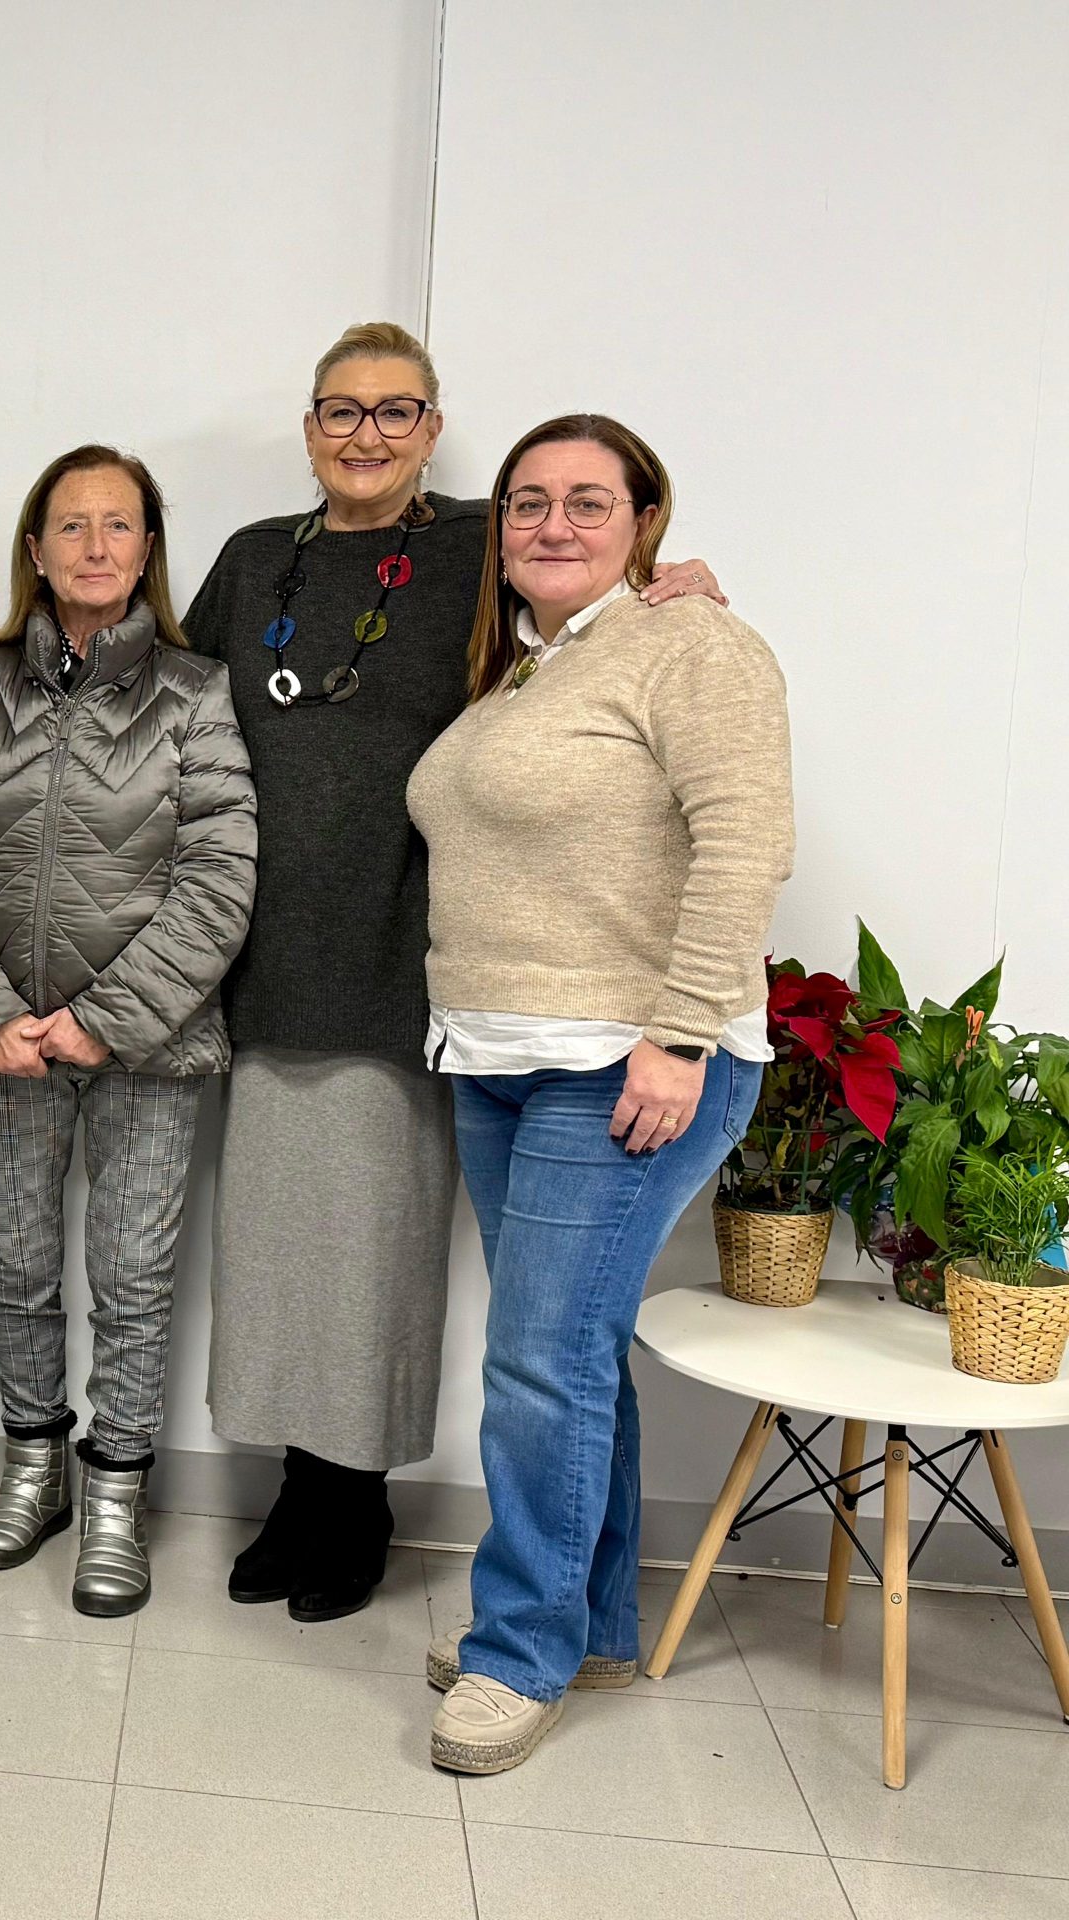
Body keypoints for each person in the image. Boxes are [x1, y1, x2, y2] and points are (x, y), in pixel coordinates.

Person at [0, 324, 729, 1621]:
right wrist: (12, 644)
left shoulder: (486, 544)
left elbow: (583, 588)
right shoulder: (261, 560)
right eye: (340, 411)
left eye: (394, 411)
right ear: (311, 427)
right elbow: (146, 682)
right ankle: (296, 1496)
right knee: (277, 1258)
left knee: (373, 1254)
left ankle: (351, 1503)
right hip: (249, 962)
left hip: (398, 956)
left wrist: (671, 583)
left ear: (430, 426)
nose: (365, 433)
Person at [406, 414, 791, 1774]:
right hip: (503, 1062)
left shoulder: (696, 645)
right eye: (527, 502)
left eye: (587, 500)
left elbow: (748, 839)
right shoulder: (521, 671)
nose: (552, 524)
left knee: (537, 1363)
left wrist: (682, 1034)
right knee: (566, 1360)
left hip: (630, 1062)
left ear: (644, 520)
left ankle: (520, 1652)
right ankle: (596, 1625)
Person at [0, 444, 256, 1617]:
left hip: (150, 1048)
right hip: (0, 1043)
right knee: (17, 1263)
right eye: (71, 526)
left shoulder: (197, 692)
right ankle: (36, 1468)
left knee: (133, 1276)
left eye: (118, 526)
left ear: (148, 548)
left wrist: (103, 1022)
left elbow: (220, 876)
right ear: (36, 551)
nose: (95, 547)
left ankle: (115, 1498)